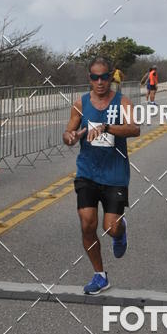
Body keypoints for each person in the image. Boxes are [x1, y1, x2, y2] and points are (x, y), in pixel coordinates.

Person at [63, 56, 140, 295]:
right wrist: (71, 137)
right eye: (95, 77)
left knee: (111, 228)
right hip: (87, 172)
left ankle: (121, 231)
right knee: (87, 223)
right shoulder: (80, 104)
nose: (99, 82)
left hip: (115, 173)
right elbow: (68, 133)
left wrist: (106, 127)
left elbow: (134, 128)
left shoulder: (122, 101)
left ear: (111, 77)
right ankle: (100, 275)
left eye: (104, 77)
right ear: (89, 78)